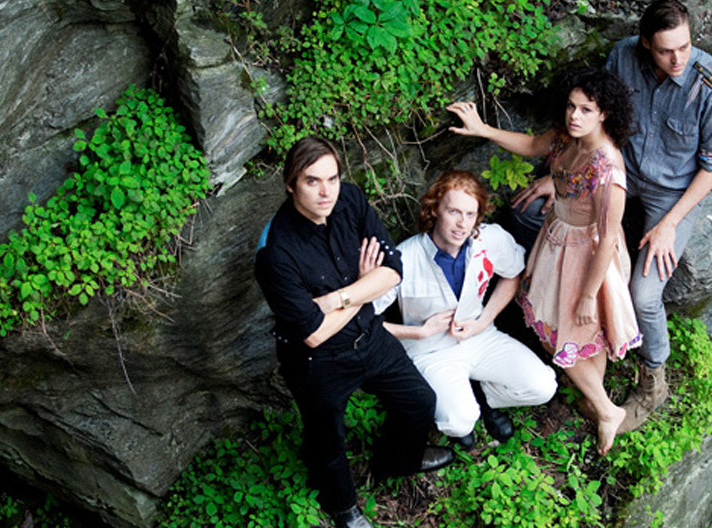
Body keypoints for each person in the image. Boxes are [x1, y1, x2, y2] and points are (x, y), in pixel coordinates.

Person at [509, 0, 712, 434]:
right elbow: (596, 120)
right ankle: (577, 347)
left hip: (671, 194)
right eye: (666, 50)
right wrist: (564, 176)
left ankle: (654, 377)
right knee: (529, 213)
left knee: (645, 293)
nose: (678, 59)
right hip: (616, 176)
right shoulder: (623, 56)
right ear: (646, 43)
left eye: (685, 47)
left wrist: (670, 223)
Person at [254, 137, 453, 528]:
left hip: (369, 335)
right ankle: (343, 507)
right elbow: (313, 333)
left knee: (419, 400)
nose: (326, 191)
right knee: (327, 442)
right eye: (312, 181)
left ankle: (396, 460)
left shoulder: (350, 199)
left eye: (332, 178)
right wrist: (365, 289)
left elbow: (392, 270)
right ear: (291, 184)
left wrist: (338, 299)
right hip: (317, 361)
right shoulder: (275, 251)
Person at [447, 69, 641, 454]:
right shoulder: (569, 136)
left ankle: (606, 410)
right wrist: (484, 129)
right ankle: (596, 397)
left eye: (586, 109)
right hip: (558, 238)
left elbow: (606, 239)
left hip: (588, 255)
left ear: (604, 113)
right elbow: (534, 144)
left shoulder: (608, 170)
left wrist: (589, 294)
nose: (574, 115)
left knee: (569, 329)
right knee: (574, 331)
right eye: (571, 106)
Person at [373, 170, 557, 449]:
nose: (462, 224)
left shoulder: (489, 239)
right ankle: (467, 406)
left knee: (543, 386)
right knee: (459, 422)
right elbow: (365, 319)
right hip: (431, 351)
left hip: (479, 336)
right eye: (454, 212)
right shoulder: (404, 258)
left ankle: (483, 398)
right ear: (434, 210)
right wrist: (418, 332)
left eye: (470, 214)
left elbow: (513, 274)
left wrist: (483, 321)